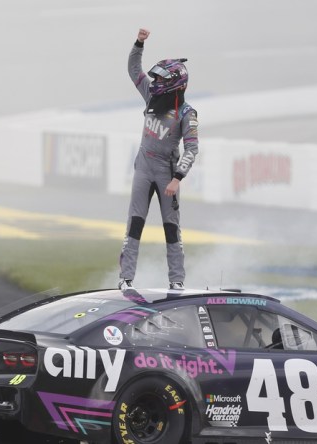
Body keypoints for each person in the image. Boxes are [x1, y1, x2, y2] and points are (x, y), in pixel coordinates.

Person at [119, 27, 199, 291]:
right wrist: (139, 43)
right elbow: (133, 70)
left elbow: (192, 148)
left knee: (171, 229)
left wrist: (177, 178)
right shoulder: (151, 96)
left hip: (167, 174)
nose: (155, 83)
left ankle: (177, 282)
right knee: (135, 224)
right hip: (143, 168)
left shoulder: (187, 113)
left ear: (175, 83)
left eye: (161, 80)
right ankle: (126, 279)